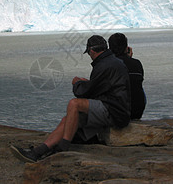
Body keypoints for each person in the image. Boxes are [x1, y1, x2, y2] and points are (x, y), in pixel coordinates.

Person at [10, 35, 131, 163]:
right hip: (116, 108)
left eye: (89, 53)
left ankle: (63, 146)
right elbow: (103, 87)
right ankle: (37, 152)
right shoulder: (111, 61)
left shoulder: (103, 65)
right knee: (68, 120)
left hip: (114, 111)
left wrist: (77, 83)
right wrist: (89, 83)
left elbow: (85, 93)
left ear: (92, 51)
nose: (90, 56)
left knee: (74, 104)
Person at [108, 33, 146, 120]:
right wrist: (129, 59)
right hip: (137, 111)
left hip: (118, 113)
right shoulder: (137, 63)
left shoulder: (108, 65)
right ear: (126, 47)